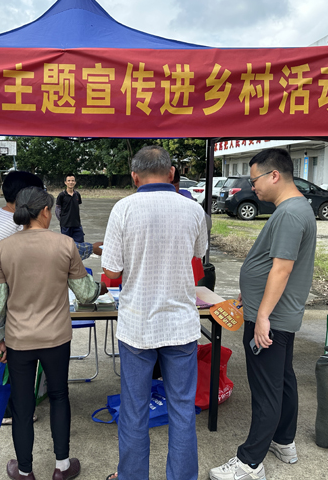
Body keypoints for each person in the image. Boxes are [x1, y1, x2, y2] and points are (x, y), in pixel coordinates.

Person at [0, 186, 106, 480]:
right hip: (56, 338)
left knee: (22, 405)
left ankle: (25, 470)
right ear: (46, 211)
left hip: (18, 340)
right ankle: (62, 467)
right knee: (60, 396)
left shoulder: (2, 248)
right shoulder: (65, 245)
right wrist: (100, 287)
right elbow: (86, 294)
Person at [101, 145, 208, 480]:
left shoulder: (123, 209)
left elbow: (111, 271)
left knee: (134, 410)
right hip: (180, 325)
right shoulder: (193, 210)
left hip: (138, 325)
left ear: (134, 176)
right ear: (172, 173)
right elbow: (199, 255)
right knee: (182, 409)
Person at [210, 148, 316, 480]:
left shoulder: (290, 214)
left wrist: (263, 316)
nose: (251, 186)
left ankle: (250, 462)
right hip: (276, 312)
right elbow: (272, 263)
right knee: (282, 380)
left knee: (266, 390)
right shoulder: (296, 208)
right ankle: (283, 440)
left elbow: (282, 269)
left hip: (271, 318)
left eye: (254, 179)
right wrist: (251, 291)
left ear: (274, 175)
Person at [0, 171, 44, 424]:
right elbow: (46, 250)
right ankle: (8, 411)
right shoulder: (16, 224)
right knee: (11, 354)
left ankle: (2, 404)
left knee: (1, 350)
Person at [56, 174, 84, 242]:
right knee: (66, 245)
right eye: (68, 181)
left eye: (72, 181)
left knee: (79, 244)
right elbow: (57, 210)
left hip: (76, 224)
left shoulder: (77, 194)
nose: (71, 182)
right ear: (65, 182)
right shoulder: (62, 195)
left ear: (75, 182)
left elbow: (77, 206)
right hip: (65, 225)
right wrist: (63, 219)